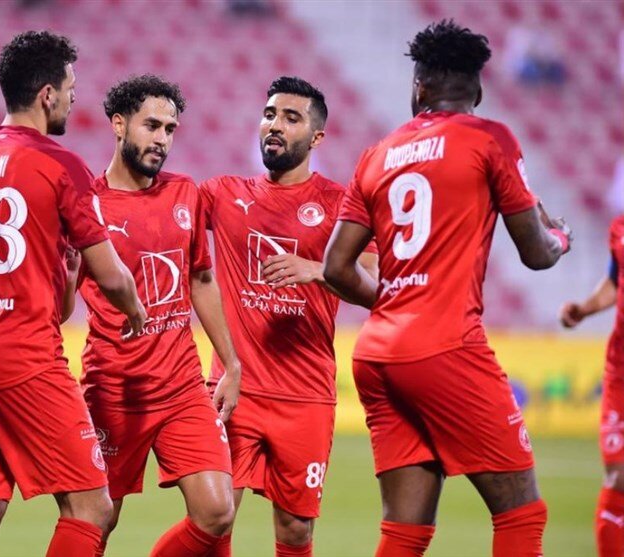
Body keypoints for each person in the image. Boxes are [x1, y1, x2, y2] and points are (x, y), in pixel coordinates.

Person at [323, 20, 572, 557]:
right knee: (522, 514)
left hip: (378, 355)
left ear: (419, 87)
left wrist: (394, 301)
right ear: (477, 91)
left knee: (404, 531)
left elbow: (336, 267)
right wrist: (561, 238)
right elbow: (536, 253)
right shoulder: (490, 137)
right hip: (445, 345)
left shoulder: (377, 154)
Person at [0, 31, 145, 557]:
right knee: (91, 508)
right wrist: (134, 307)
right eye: (70, 90)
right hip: (25, 355)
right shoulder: (61, 165)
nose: (72, 99)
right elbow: (111, 277)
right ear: (47, 95)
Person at [199, 76, 378, 557]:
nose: (275, 125)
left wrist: (321, 270)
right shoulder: (223, 194)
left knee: (296, 530)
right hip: (235, 387)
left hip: (305, 396)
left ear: (316, 137)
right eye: (270, 114)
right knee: (214, 517)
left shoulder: (341, 205)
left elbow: (377, 288)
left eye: (291, 118)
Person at [65, 74, 240, 557]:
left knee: (218, 512)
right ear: (119, 124)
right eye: (151, 126)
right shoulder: (86, 204)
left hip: (182, 386)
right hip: (114, 388)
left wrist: (231, 363)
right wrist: (68, 270)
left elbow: (201, 279)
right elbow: (61, 308)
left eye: (170, 129)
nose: (162, 139)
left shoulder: (185, 193)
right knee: (96, 520)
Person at [560, 214, 624, 556]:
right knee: (618, 478)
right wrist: (585, 309)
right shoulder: (619, 229)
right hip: (621, 372)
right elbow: (616, 281)